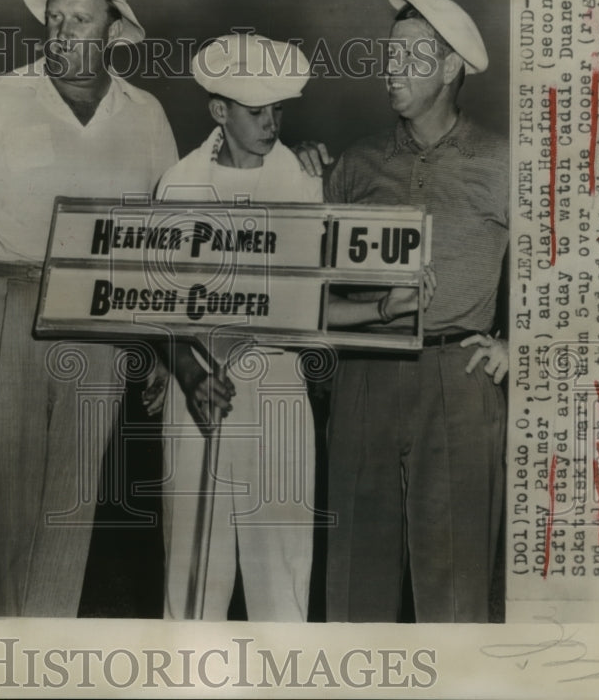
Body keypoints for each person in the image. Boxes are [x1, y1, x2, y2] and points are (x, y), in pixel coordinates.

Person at [151, 33, 435, 621]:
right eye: (257, 111)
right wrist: (186, 371)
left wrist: (386, 309)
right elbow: (157, 303)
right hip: (194, 388)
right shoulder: (176, 184)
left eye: (280, 109)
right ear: (218, 111)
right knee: (189, 579)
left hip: (276, 386)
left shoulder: (308, 183)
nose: (272, 124)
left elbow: (313, 308)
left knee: (280, 580)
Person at [0, 0, 178, 617]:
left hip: (97, 327)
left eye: (80, 19)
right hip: (0, 310)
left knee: (67, 515)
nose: (62, 31)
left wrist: (155, 345)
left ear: (114, 32)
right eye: (54, 17)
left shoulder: (147, 115)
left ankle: (43, 665)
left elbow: (158, 245)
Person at [322, 0, 509, 623]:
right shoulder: (355, 163)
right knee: (354, 580)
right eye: (388, 55)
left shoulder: (503, 161)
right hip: (366, 372)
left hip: (458, 376)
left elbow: (574, 266)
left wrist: (521, 344)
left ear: (452, 67)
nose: (390, 71)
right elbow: (314, 282)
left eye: (411, 57)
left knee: (455, 588)